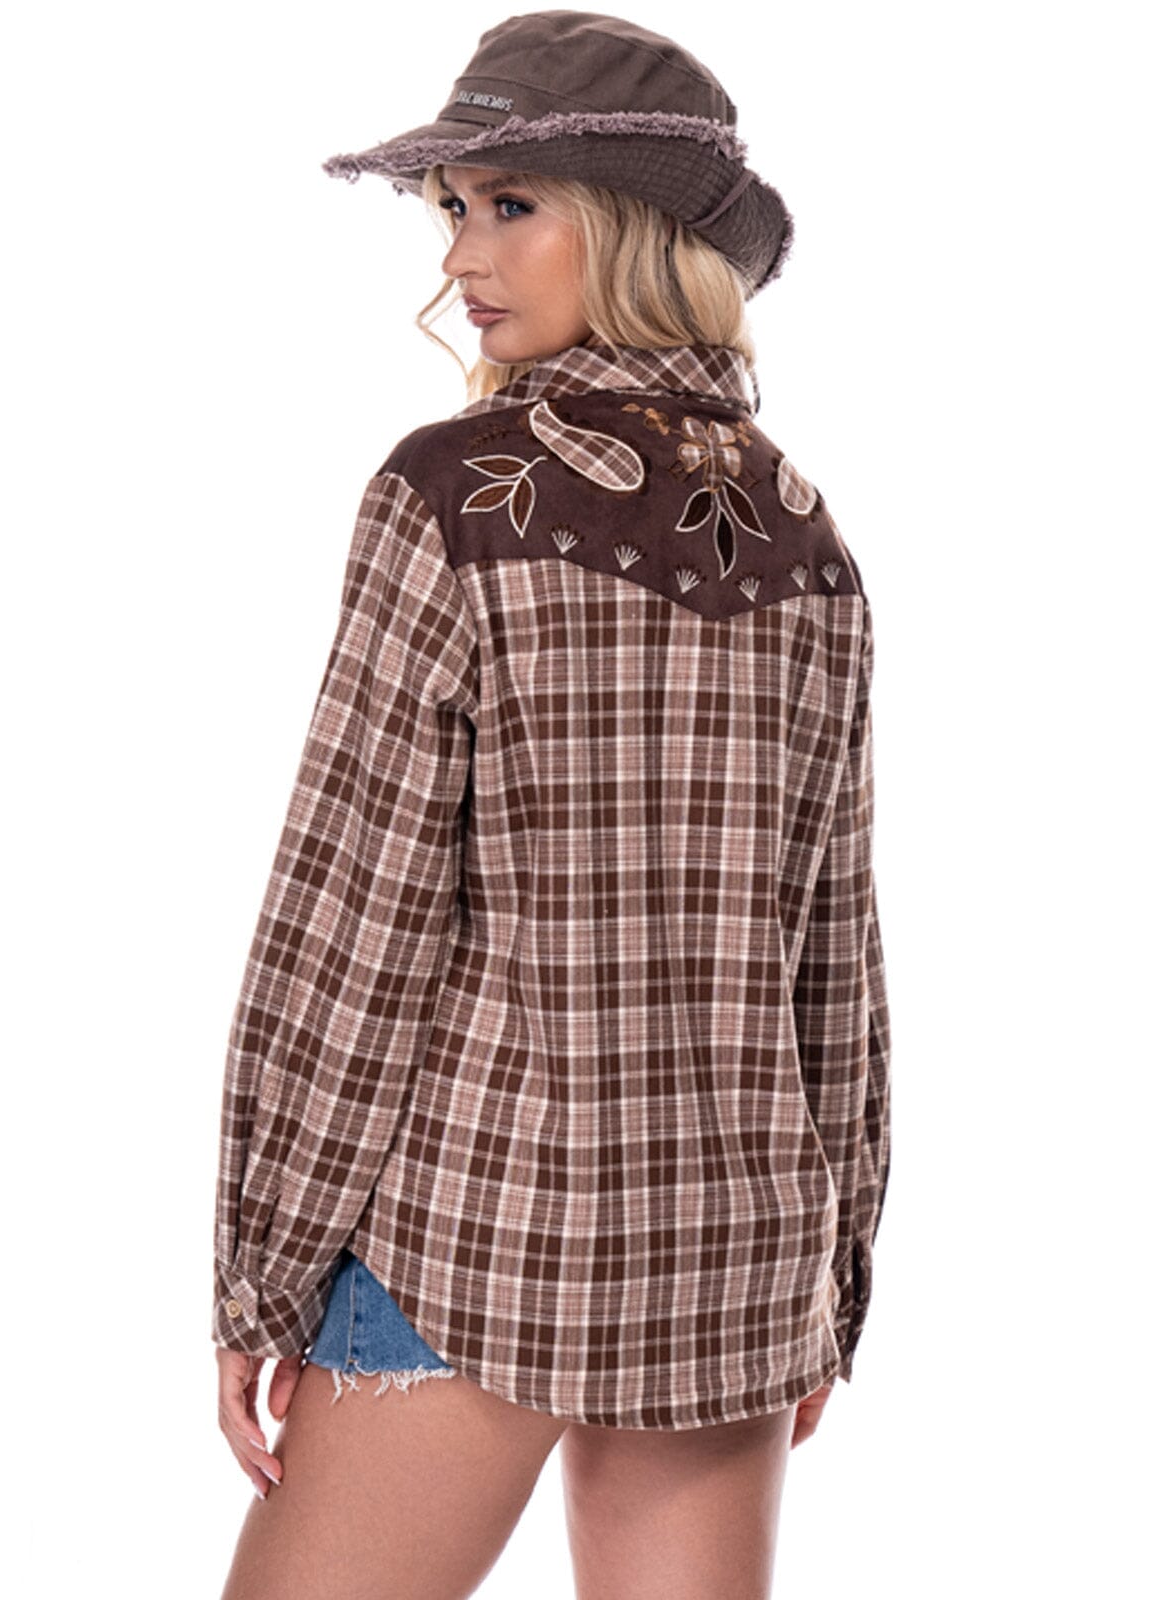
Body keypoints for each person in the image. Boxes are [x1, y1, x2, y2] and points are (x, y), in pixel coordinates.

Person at [211, 12, 892, 1599]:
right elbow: (834, 953)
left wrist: (263, 1270)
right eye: (454, 208)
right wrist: (834, 1274)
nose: (463, 254)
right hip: (730, 1248)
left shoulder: (453, 495)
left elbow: (352, 917)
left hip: (481, 1227)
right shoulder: (809, 537)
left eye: (511, 204)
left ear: (639, 225)